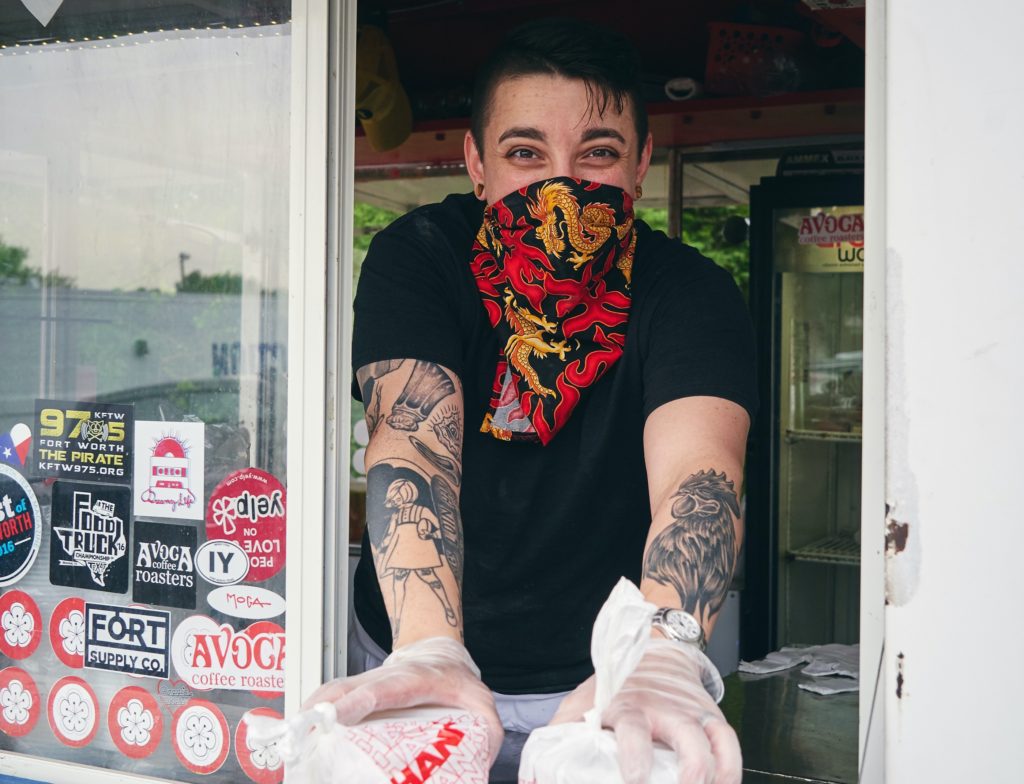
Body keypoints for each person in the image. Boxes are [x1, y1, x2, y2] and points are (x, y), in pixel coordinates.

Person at [305, 17, 756, 784]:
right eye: (525, 153)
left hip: (602, 688)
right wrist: (430, 650)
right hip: (412, 660)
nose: (560, 185)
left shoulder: (689, 290)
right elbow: (412, 444)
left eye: (598, 154)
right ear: (476, 163)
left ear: (641, 162)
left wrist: (662, 650)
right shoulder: (420, 256)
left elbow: (701, 477)